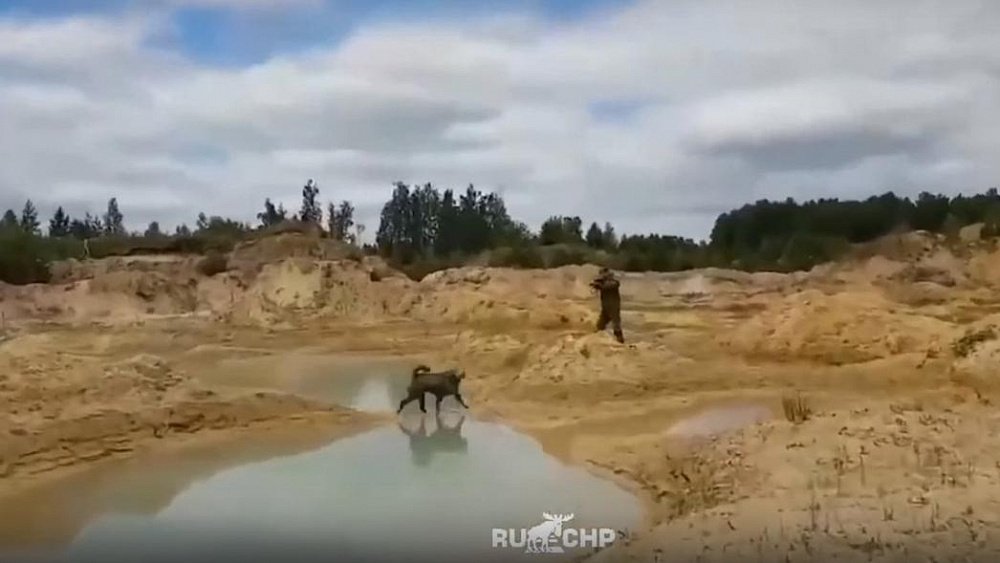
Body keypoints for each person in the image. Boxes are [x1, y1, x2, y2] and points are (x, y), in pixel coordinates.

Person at [590, 267, 624, 343]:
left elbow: (607, 286)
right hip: (605, 308)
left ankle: (620, 341)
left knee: (616, 326)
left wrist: (599, 285)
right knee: (599, 326)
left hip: (613, 307)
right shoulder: (604, 282)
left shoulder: (614, 282)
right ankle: (596, 341)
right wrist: (596, 284)